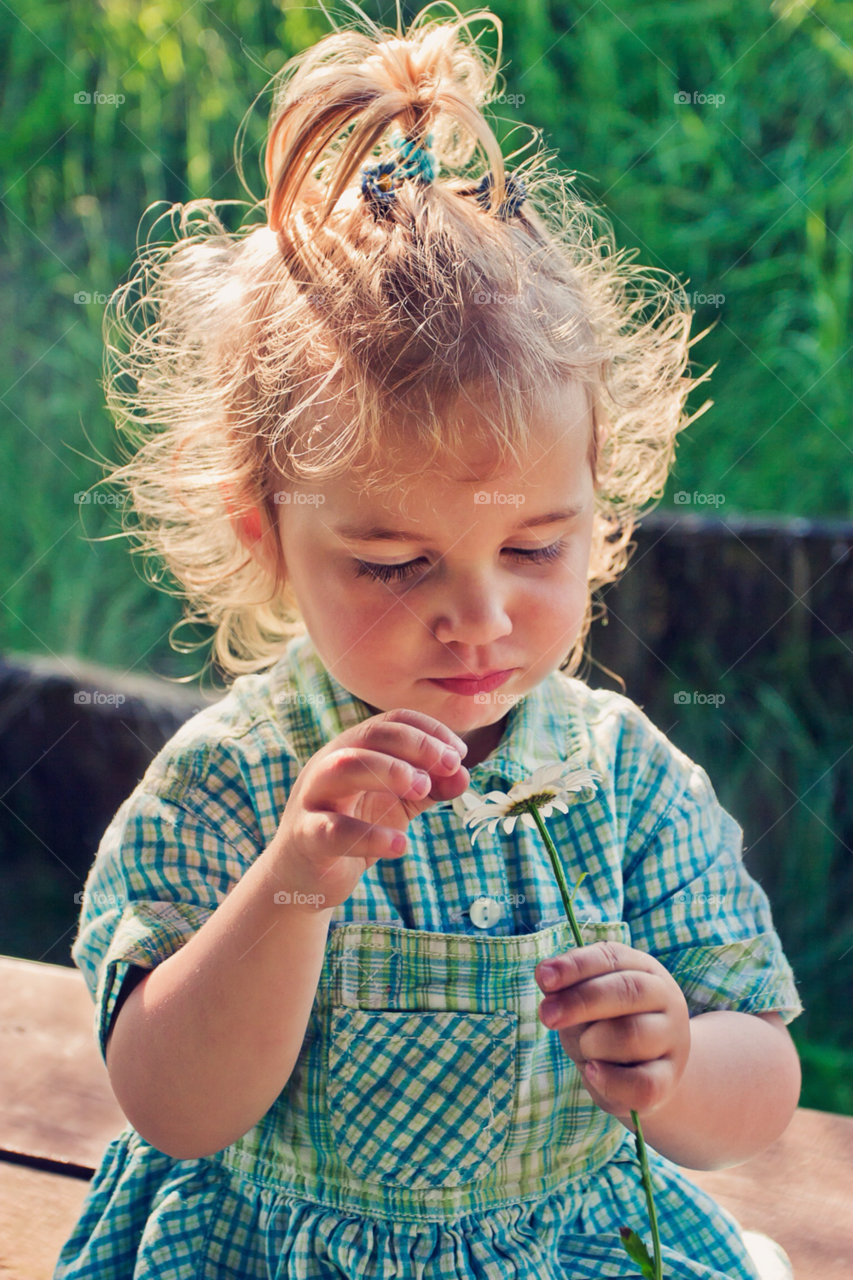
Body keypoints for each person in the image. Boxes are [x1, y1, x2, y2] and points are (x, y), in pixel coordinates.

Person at [54, 6, 802, 1278]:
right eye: (395, 564)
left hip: (563, 1243)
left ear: (597, 512)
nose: (480, 616)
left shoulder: (620, 779)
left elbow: (762, 1075)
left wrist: (677, 1062)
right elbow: (172, 1105)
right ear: (267, 536)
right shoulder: (233, 781)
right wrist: (294, 881)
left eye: (534, 547)